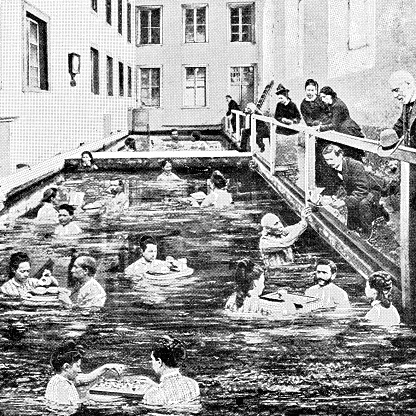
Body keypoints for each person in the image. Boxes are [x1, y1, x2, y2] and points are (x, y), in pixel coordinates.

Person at [322, 144, 388, 238]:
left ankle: (368, 229)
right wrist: (331, 197)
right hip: (356, 190)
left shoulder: (355, 165)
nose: (328, 163)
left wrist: (344, 202)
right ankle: (375, 211)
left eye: (331, 159)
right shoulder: (333, 166)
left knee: (363, 204)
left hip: (372, 190)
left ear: (340, 155)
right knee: (351, 226)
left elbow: (362, 190)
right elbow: (336, 185)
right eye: (326, 160)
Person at [45, 339, 124, 406]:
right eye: (77, 366)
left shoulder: (61, 379)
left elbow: (86, 378)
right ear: (66, 367)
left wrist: (106, 367)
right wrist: (90, 400)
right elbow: (66, 408)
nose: (80, 370)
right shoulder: (61, 385)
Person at [139, 336, 200, 406]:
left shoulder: (152, 394)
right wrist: (156, 386)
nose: (151, 363)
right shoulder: (193, 384)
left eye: (152, 359)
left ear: (159, 362)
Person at [225, 258, 296, 316]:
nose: (264, 285)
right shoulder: (262, 304)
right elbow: (290, 311)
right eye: (262, 282)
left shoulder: (231, 300)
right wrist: (285, 297)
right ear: (255, 283)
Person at [300, 79, 336, 187]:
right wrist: (315, 124)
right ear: (305, 90)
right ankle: (320, 184)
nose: (310, 92)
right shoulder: (303, 104)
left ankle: (332, 183)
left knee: (329, 155)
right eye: (308, 90)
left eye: (312, 90)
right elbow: (308, 120)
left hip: (326, 132)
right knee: (318, 158)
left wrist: (323, 124)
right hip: (314, 134)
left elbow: (329, 113)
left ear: (316, 91)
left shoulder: (321, 101)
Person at [318, 86, 365, 161]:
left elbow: (334, 124)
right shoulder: (333, 103)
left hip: (348, 131)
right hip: (344, 130)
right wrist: (322, 124)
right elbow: (332, 119)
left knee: (352, 156)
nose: (323, 100)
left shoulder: (337, 105)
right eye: (321, 98)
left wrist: (321, 128)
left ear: (330, 95)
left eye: (324, 97)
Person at [387, 70, 416, 150]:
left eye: (396, 90)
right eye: (393, 91)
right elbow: (400, 125)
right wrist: (386, 138)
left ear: (409, 84)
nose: (395, 95)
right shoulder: (407, 105)